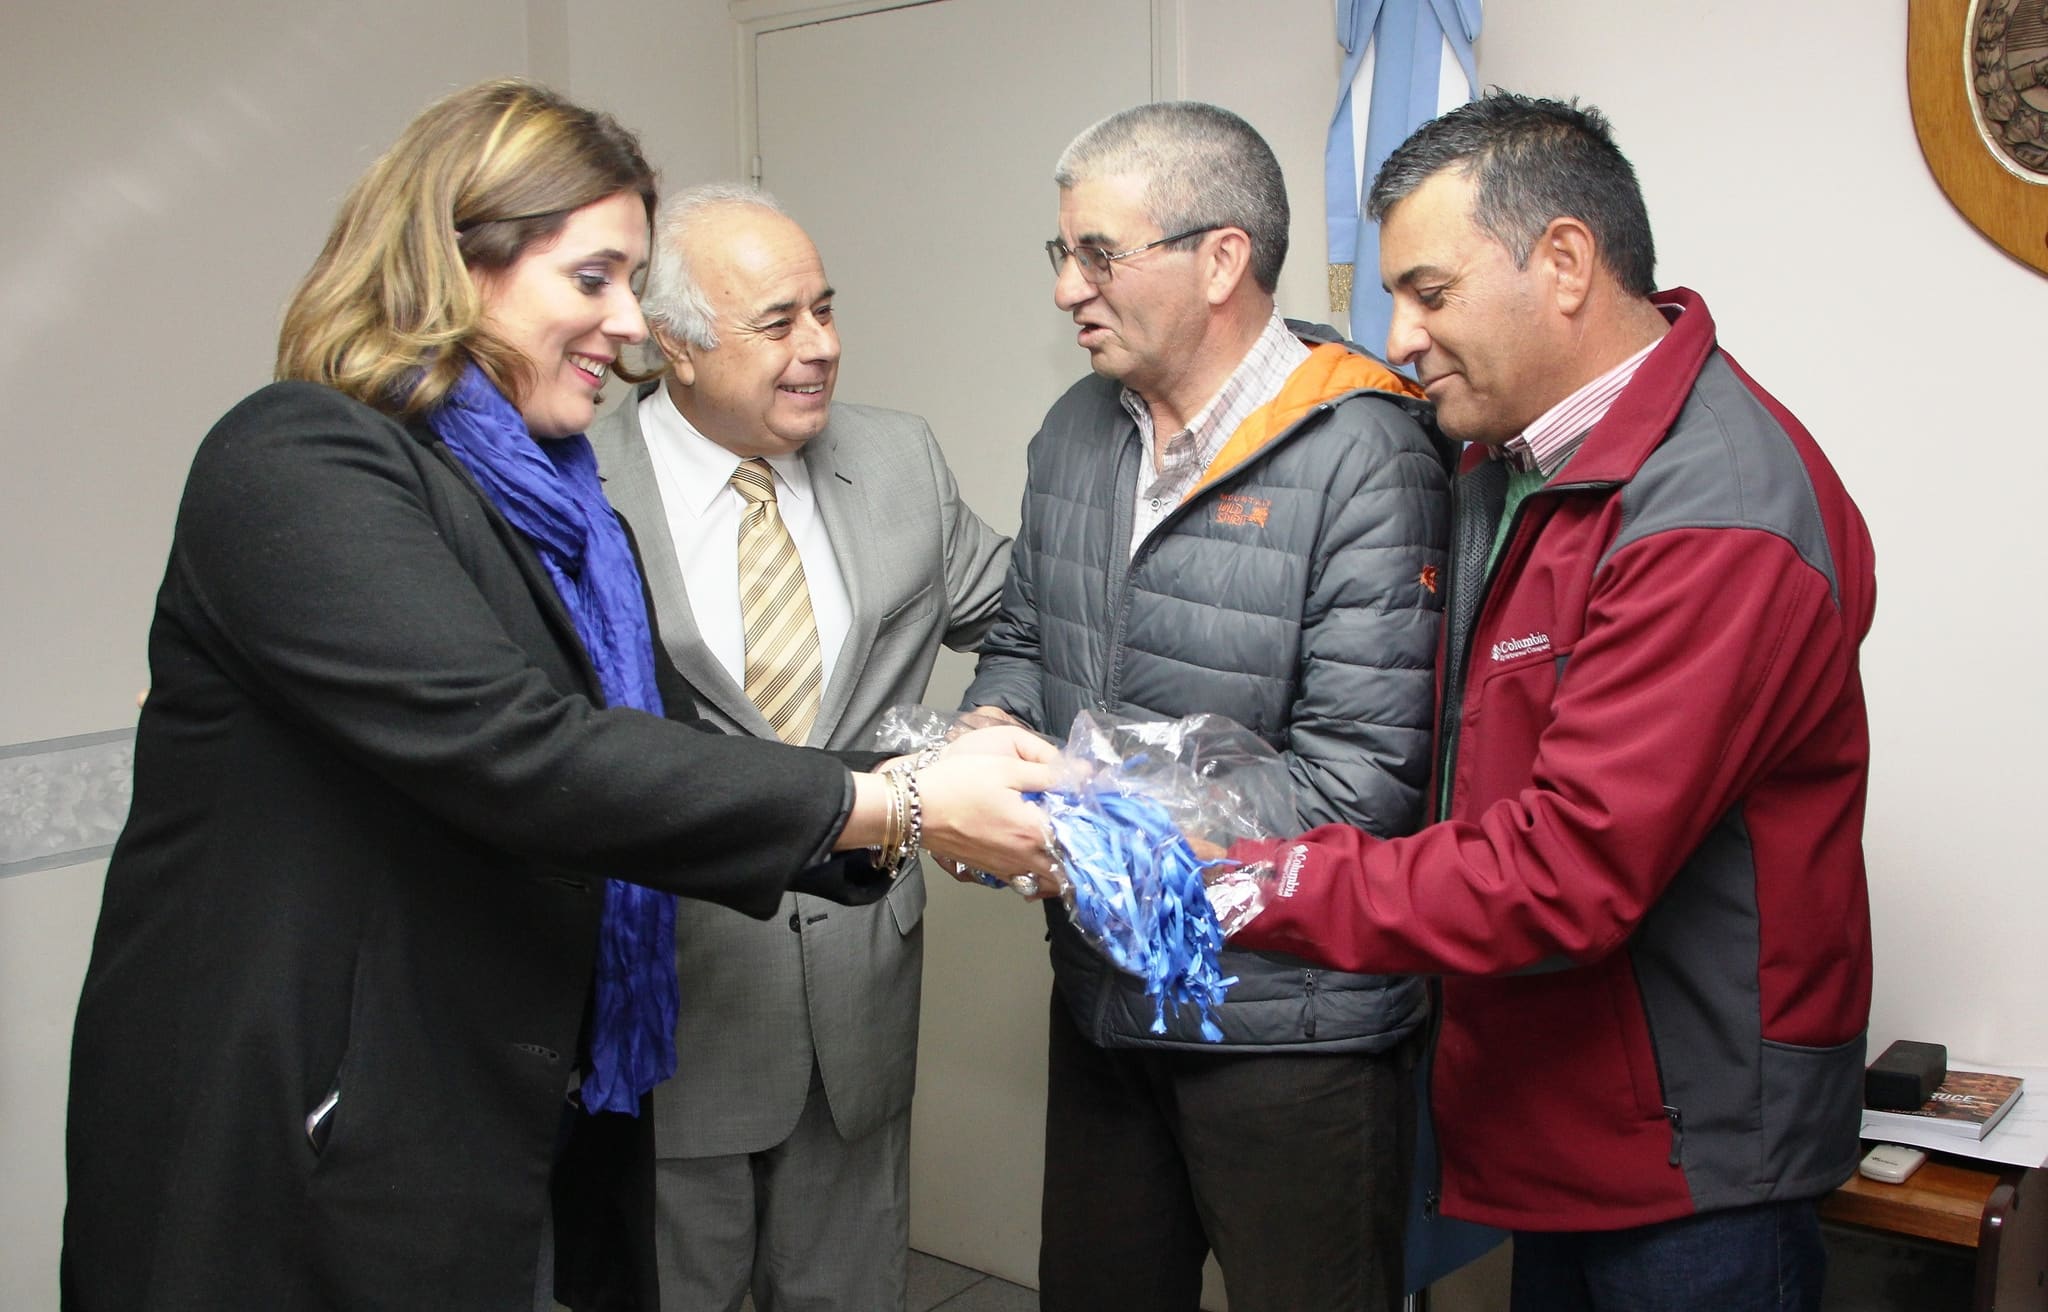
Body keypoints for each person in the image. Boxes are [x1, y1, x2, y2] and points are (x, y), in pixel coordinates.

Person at [59, 79, 1056, 1312]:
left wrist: (890, 825)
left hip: (528, 1100)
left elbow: (648, 743)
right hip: (320, 1121)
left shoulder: (563, 510)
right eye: (594, 280)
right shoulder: (297, 459)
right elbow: (519, 751)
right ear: (451, 264)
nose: (630, 325)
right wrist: (887, 805)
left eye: (633, 283)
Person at [1217, 92, 1876, 1311]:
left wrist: (1240, 879)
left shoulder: (1713, 514)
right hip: (1565, 1132)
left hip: (1693, 1165)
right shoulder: (1514, 456)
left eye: (1427, 291)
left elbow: (1565, 869)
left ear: (1563, 262)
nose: (1400, 336)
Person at [963, 101, 1451, 1312]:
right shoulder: (1076, 430)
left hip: (1292, 1025)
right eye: (1058, 255)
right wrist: (987, 731)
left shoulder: (1364, 451)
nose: (1067, 290)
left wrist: (1075, 813)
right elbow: (1022, 640)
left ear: (1220, 257)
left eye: (1097, 254)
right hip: (1102, 997)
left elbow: (1360, 783)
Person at [588, 183, 1009, 1312]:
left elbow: (1021, 612)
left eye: (825, 310)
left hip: (861, 990)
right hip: (678, 1000)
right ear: (672, 342)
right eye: (778, 323)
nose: (821, 347)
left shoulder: (897, 459)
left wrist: (997, 712)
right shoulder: (576, 486)